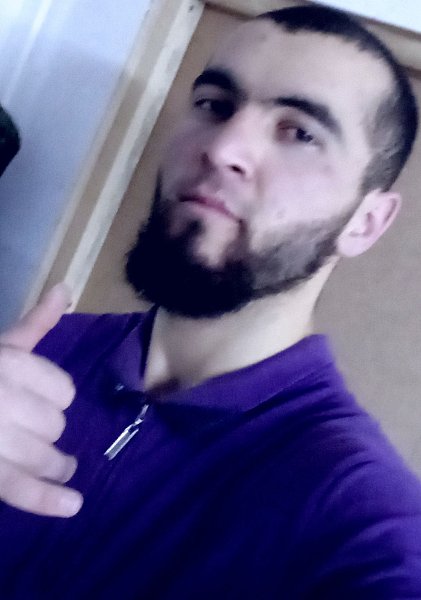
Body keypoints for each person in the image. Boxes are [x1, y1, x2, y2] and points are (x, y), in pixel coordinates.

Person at [0, 5, 420, 598]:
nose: (223, 148)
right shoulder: (44, 349)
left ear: (366, 221)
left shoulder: (354, 509)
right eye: (215, 105)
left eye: (300, 133)